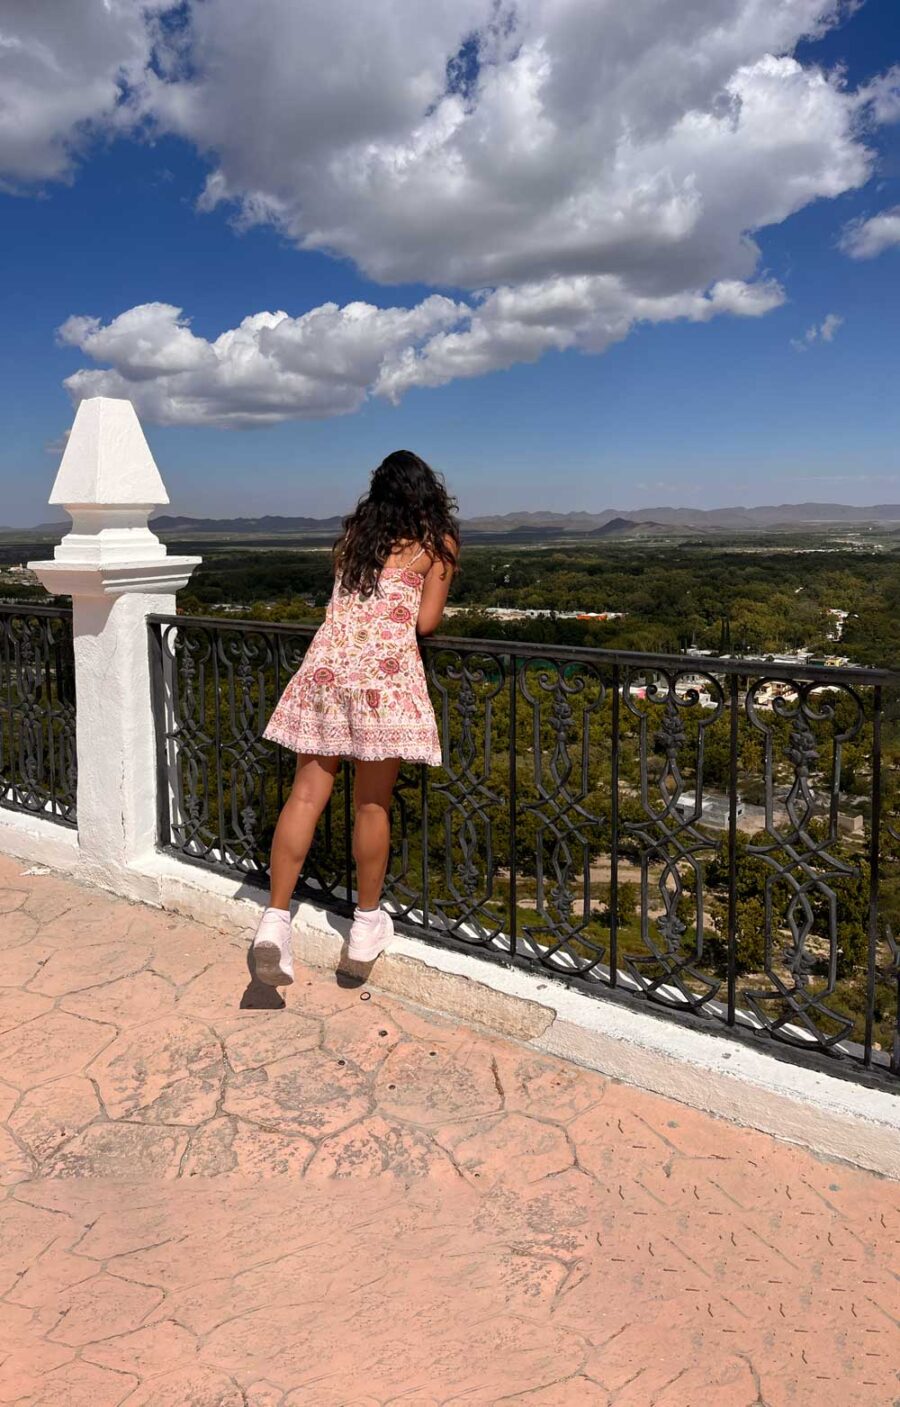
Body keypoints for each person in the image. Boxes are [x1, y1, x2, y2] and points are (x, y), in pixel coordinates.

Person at [250, 450, 459, 986]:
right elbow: (426, 623)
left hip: (325, 673)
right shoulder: (437, 546)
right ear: (427, 492)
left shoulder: (353, 540)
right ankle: (366, 925)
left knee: (304, 797)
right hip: (380, 683)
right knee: (371, 804)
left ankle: (274, 921)